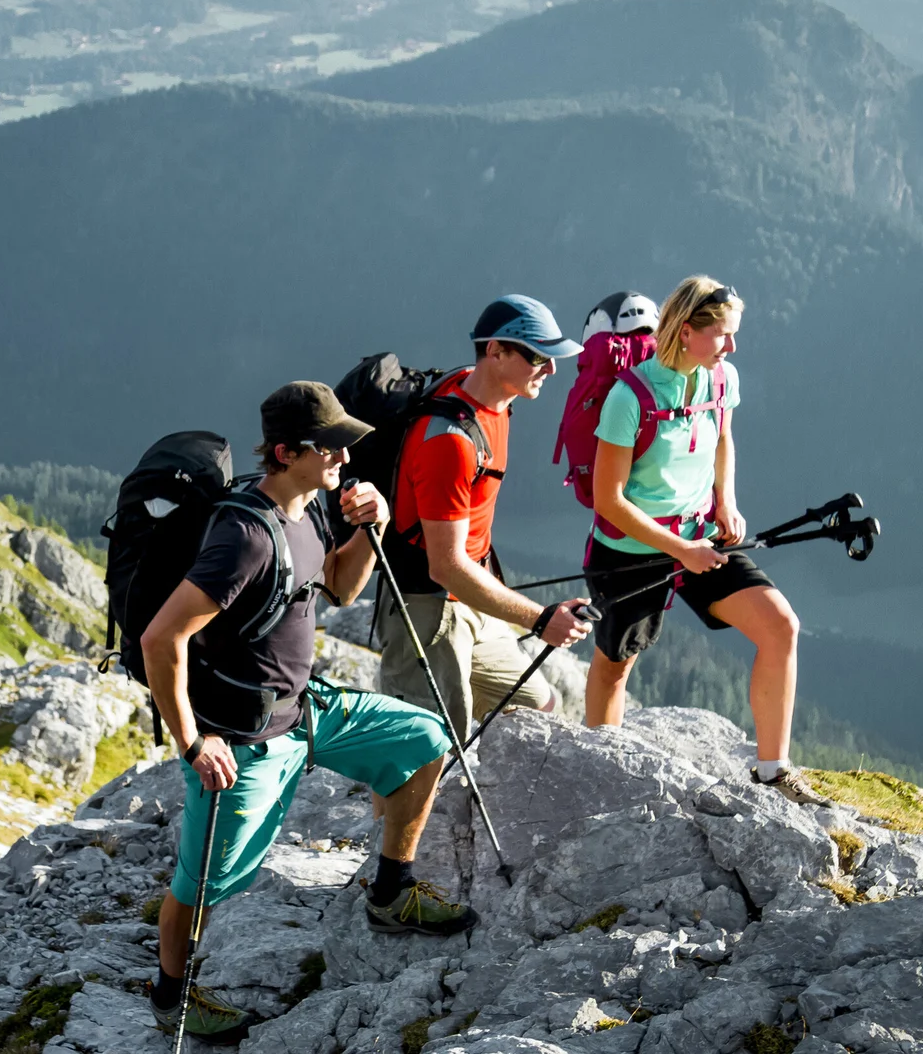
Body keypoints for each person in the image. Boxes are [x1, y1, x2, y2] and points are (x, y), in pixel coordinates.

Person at [141, 381, 479, 1041]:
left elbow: (343, 585)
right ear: (289, 452)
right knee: (206, 880)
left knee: (424, 739)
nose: (344, 460)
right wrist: (192, 743)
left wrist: (368, 527)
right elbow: (162, 637)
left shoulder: (311, 510)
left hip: (306, 708)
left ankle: (390, 893)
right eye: (332, 448)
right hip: (244, 738)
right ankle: (168, 992)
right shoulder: (244, 536)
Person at [581, 275, 827, 805]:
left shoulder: (721, 379)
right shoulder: (630, 396)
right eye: (722, 334)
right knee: (615, 664)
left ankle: (772, 772)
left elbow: (722, 441)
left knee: (781, 626)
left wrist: (726, 502)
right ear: (686, 332)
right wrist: (680, 551)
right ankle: (598, 774)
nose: (732, 346)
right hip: (630, 549)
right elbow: (610, 500)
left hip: (700, 535)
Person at [377, 295, 595, 741]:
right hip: (428, 608)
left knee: (539, 706)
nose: (550, 369)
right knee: (427, 749)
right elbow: (445, 565)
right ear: (495, 352)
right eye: (537, 355)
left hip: (470, 599)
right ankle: (387, 809)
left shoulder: (487, 398)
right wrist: (540, 619)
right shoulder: (451, 441)